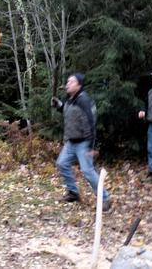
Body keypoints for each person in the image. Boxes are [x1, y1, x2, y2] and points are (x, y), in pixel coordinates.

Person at [51, 73, 111, 211]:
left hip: (84, 142)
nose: (67, 84)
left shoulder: (84, 101)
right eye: (67, 82)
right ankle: (73, 193)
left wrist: (92, 146)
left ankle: (105, 199)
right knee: (62, 163)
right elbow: (69, 112)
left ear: (79, 85)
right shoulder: (71, 99)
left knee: (87, 171)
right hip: (71, 142)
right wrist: (59, 105)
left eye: (71, 82)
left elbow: (91, 123)